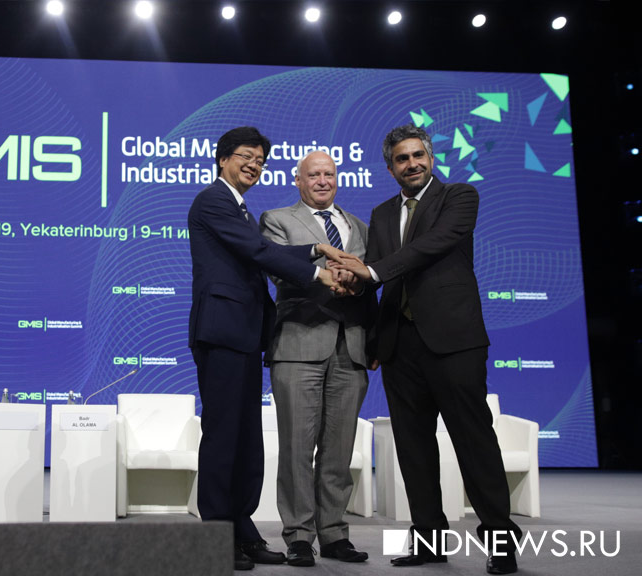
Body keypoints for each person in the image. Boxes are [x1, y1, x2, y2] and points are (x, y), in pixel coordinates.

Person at [333, 124, 522, 575]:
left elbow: (429, 247)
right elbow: (380, 282)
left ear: (431, 158)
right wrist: (366, 311)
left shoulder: (459, 197)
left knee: (474, 443)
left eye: (418, 155)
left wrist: (371, 271)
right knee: (414, 451)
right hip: (400, 347)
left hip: (454, 342)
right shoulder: (381, 214)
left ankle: (501, 543)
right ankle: (429, 540)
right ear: (390, 168)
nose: (412, 164)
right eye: (402, 158)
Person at [187, 127, 342, 571]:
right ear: (222, 159)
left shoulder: (238, 207)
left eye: (260, 160)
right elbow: (257, 250)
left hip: (245, 334)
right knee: (223, 438)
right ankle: (218, 535)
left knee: (246, 440)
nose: (253, 165)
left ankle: (242, 527)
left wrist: (315, 248)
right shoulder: (212, 200)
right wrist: (317, 272)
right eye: (245, 156)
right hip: (222, 332)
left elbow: (262, 249)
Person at [258, 150, 377, 567]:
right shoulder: (277, 219)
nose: (322, 180)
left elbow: (372, 280)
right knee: (296, 448)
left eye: (329, 173)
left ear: (337, 179)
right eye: (313, 175)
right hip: (298, 345)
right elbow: (278, 268)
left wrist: (357, 283)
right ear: (298, 180)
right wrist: (327, 276)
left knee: (338, 450)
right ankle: (298, 536)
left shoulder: (360, 226)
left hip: (351, 346)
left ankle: (334, 534)